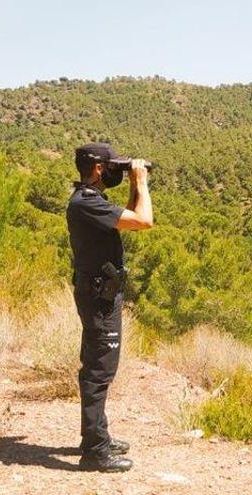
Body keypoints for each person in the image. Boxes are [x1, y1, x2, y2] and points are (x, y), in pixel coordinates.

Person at [66, 142, 153, 472]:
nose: (118, 171)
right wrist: (141, 182)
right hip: (99, 298)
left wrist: (132, 185)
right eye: (113, 166)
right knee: (98, 373)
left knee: (99, 368)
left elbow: (128, 218)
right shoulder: (87, 203)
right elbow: (144, 221)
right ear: (99, 169)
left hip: (100, 295)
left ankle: (97, 437)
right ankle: (95, 452)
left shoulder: (91, 201)